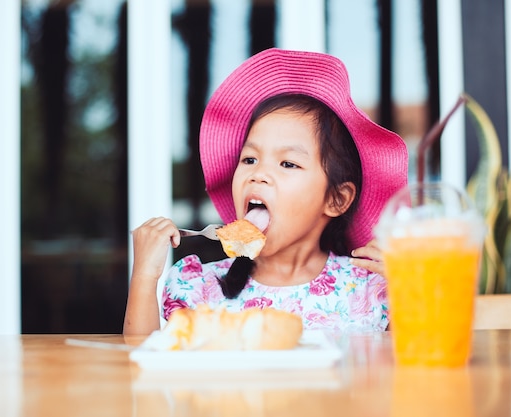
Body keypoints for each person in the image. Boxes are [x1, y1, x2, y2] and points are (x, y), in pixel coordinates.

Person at [123, 48, 408, 335]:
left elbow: (415, 370)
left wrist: (411, 292)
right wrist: (145, 276)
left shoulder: (372, 289)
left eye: (287, 163)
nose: (258, 174)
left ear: (336, 198)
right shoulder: (199, 287)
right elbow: (140, 365)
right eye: (249, 159)